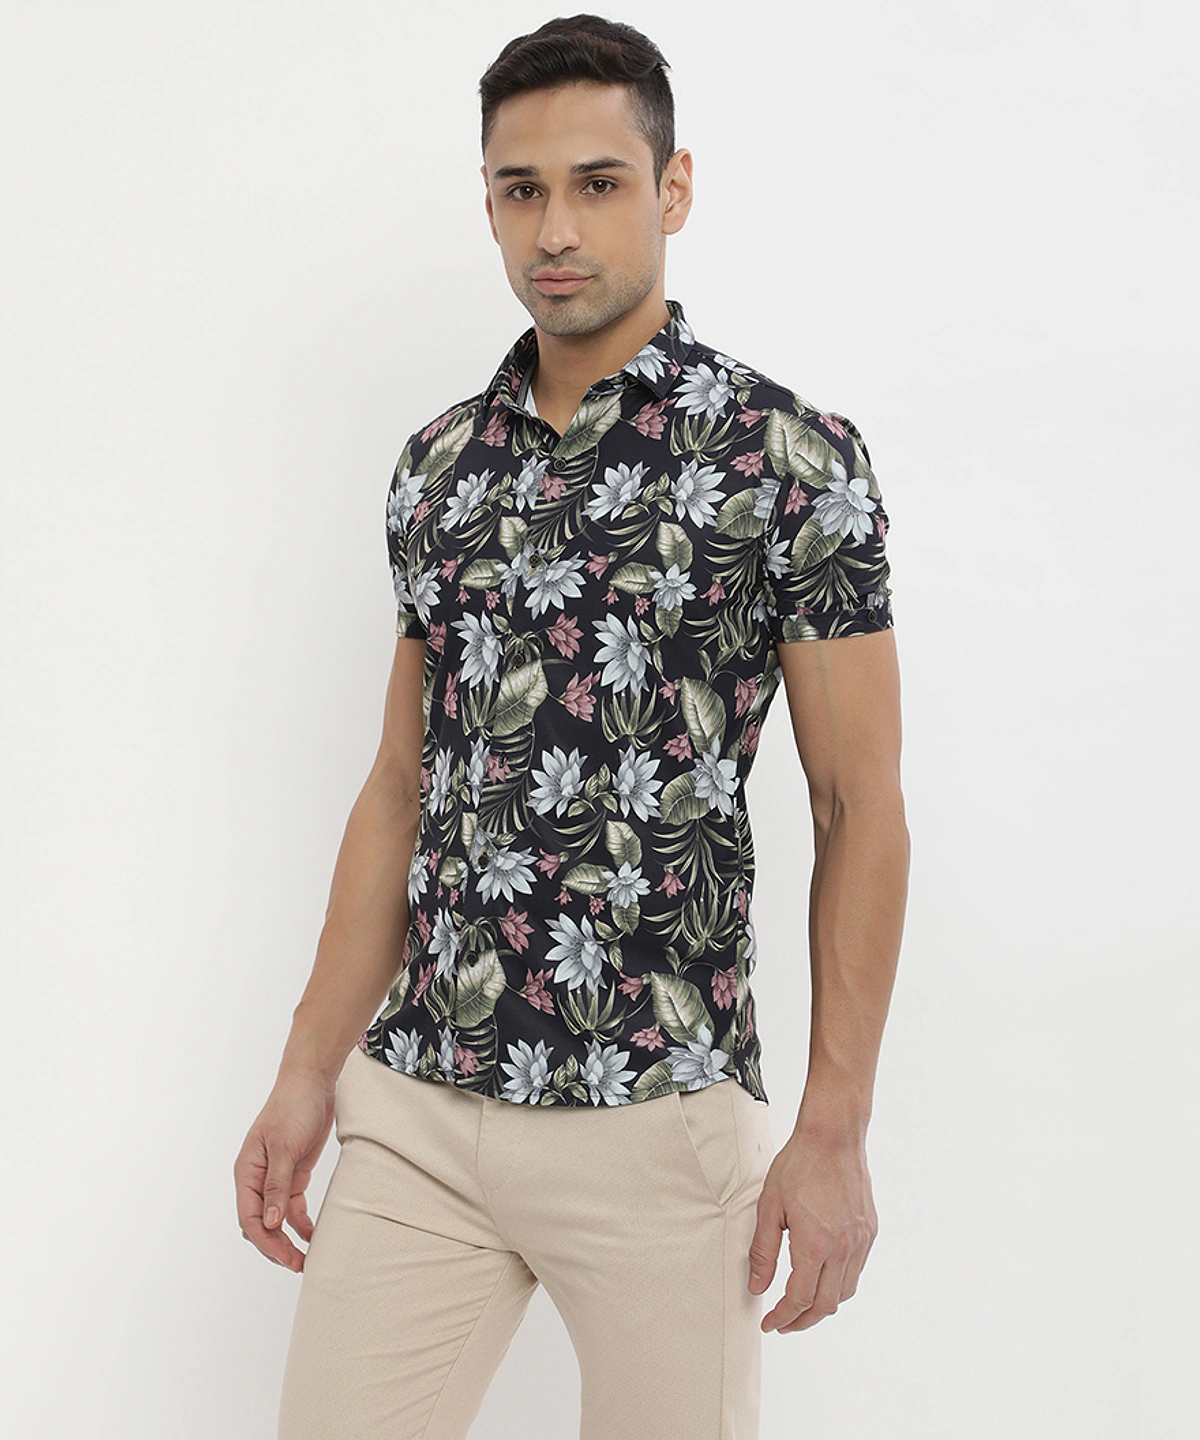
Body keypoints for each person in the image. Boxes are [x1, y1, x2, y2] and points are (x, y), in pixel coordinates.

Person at [234, 14, 909, 1439]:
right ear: (487, 201)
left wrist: (835, 1126)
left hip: (660, 1117)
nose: (556, 228)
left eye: (599, 184)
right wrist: (305, 1071)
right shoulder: (436, 469)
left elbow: (858, 805)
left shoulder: (787, 461)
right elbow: (401, 785)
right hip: (421, 1109)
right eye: (521, 188)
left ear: (673, 190)